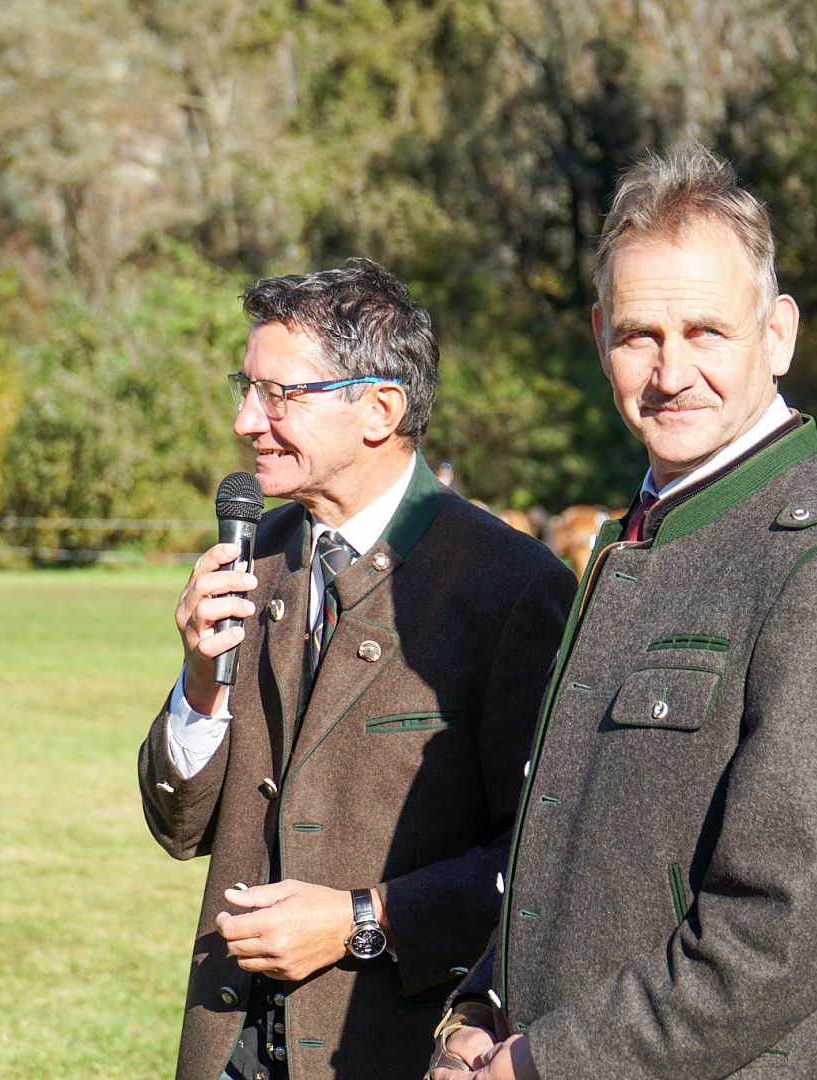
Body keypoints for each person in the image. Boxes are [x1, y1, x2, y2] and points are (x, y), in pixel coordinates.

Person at [431, 145, 817, 1079]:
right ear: (600, 338)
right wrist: (481, 1005)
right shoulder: (644, 532)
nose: (671, 372)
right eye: (640, 336)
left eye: (707, 331)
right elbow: (575, 846)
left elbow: (779, 932)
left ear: (777, 335)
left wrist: (545, 1063)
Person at [138, 258, 575, 1080]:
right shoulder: (255, 558)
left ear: (380, 409)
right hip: (226, 1049)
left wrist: (359, 921)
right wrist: (198, 683)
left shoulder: (512, 588)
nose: (245, 420)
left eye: (278, 395)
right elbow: (179, 829)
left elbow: (545, 859)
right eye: (246, 388)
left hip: (395, 1051)